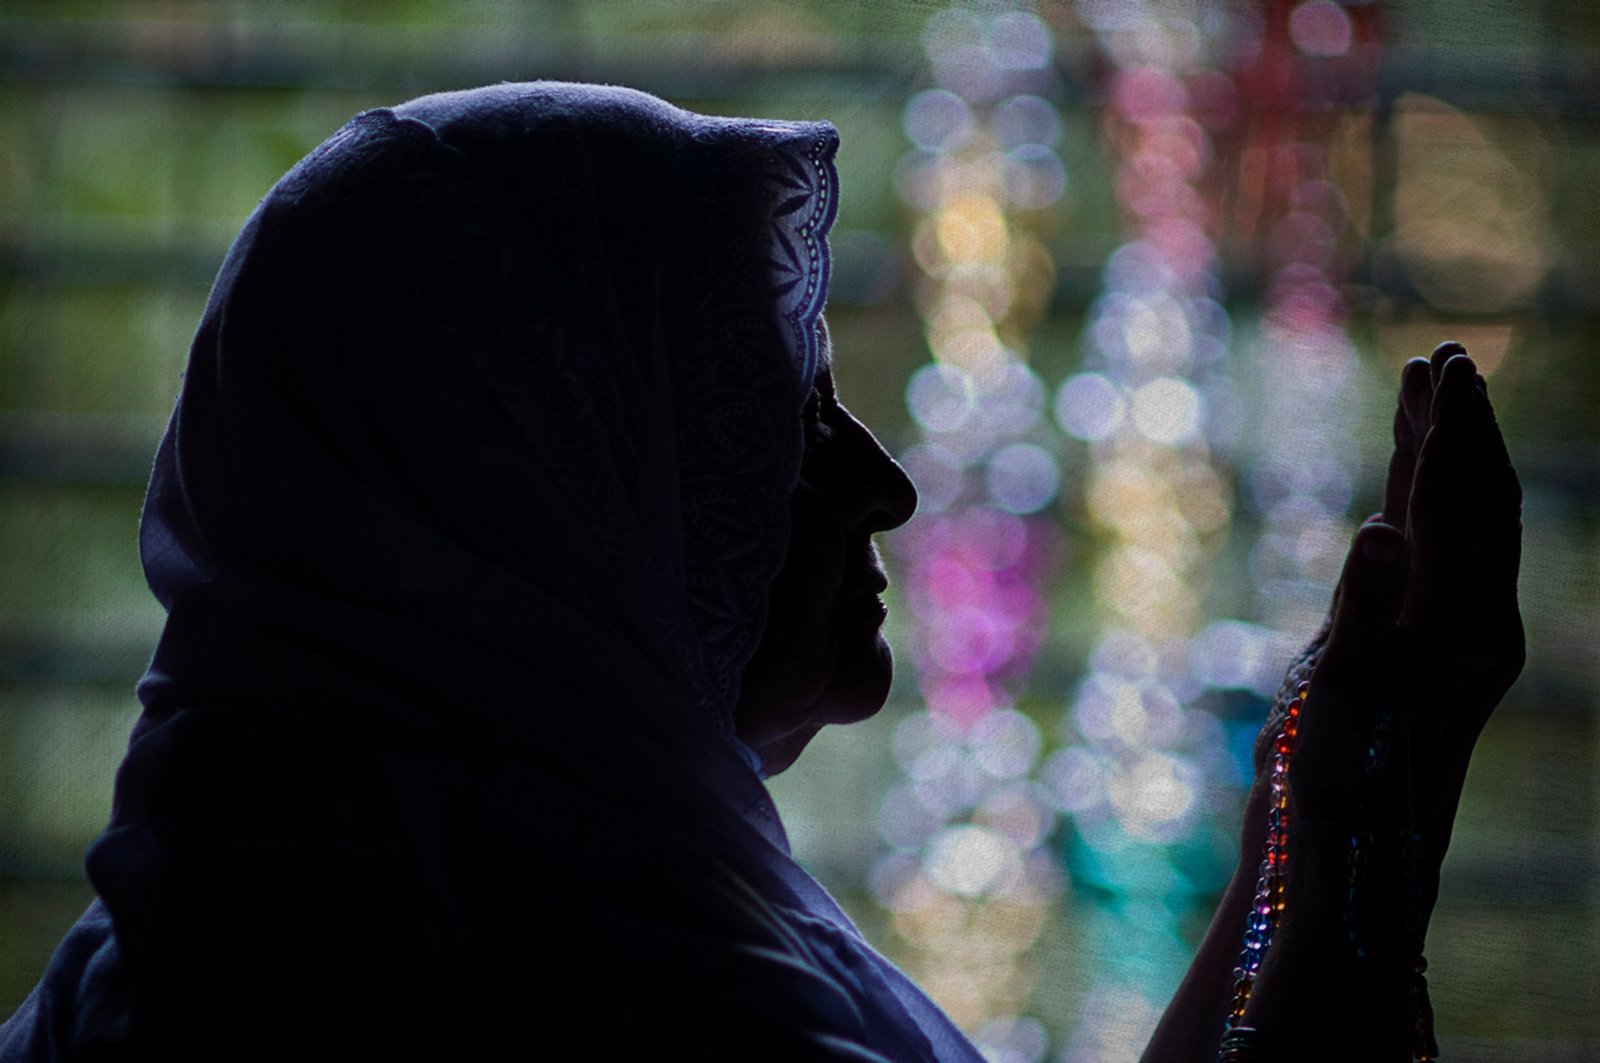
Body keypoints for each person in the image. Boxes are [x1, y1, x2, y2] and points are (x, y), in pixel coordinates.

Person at [0, 83, 1521, 1062]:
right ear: (544, 510)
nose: (888, 483)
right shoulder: (599, 1007)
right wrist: (1375, 832)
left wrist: (1303, 842)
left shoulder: (231, 926)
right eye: (773, 423)